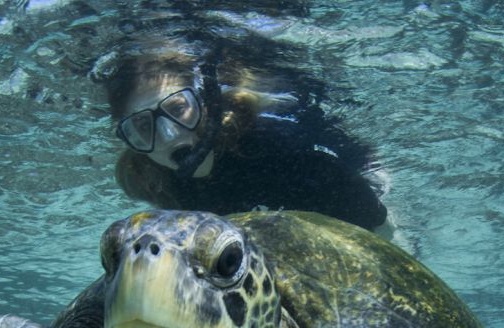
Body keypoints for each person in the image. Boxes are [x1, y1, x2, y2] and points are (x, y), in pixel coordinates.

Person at [95, 34, 389, 231]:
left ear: (207, 102)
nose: (169, 135)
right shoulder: (155, 180)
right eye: (143, 126)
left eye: (177, 108)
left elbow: (371, 214)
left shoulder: (272, 144)